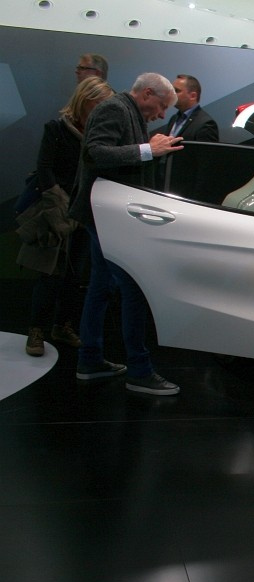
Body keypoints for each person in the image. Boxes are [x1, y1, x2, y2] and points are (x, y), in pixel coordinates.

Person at [68, 73, 184, 395]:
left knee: (101, 288)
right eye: (161, 106)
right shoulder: (115, 109)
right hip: (106, 216)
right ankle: (139, 370)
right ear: (147, 93)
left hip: (108, 215)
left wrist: (151, 151)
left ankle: (90, 360)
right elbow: (95, 153)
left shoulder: (128, 112)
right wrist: (148, 150)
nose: (162, 114)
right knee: (131, 289)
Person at [16, 76, 115, 356]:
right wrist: (58, 203)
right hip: (57, 209)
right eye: (99, 104)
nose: (102, 110)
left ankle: (63, 325)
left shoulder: (100, 133)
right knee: (51, 272)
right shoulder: (57, 128)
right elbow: (44, 168)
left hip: (85, 210)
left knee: (76, 274)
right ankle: (36, 330)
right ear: (85, 100)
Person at [154, 74, 219, 142]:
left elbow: (207, 149)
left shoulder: (206, 124)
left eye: (176, 91)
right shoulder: (174, 118)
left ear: (193, 96)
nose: (172, 94)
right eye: (172, 90)